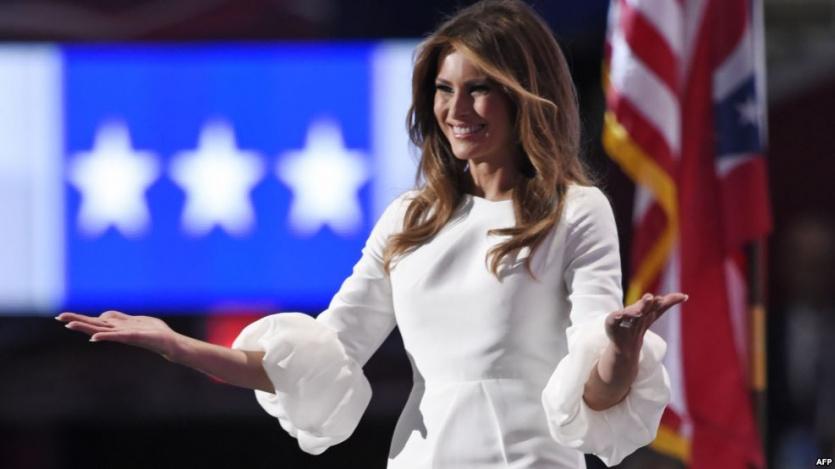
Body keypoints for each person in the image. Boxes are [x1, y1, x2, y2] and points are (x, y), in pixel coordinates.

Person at [57, 1, 687, 467]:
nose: (456, 110)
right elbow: (318, 360)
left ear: (526, 96)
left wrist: (622, 347)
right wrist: (180, 347)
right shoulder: (410, 219)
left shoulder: (575, 211)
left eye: (479, 90)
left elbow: (596, 394)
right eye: (443, 90)